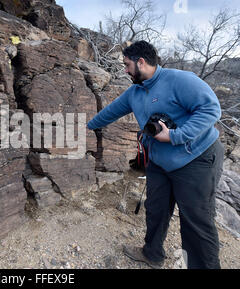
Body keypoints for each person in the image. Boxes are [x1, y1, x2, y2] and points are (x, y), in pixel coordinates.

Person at [87, 40, 224, 269]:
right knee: (156, 209)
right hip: (160, 161)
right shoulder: (136, 91)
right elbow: (111, 112)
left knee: (196, 222)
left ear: (141, 62)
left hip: (196, 158)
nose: (125, 70)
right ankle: (152, 254)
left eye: (127, 65)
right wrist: (87, 127)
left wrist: (174, 136)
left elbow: (211, 110)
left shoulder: (180, 80)